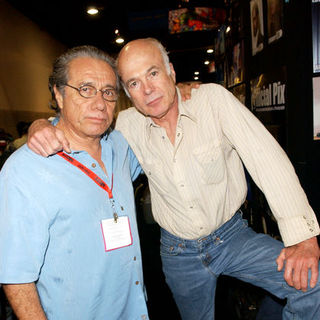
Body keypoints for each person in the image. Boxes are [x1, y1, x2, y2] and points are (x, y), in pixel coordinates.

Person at [28, 38, 320, 320]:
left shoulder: (213, 101)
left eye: (153, 73)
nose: (148, 90)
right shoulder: (127, 125)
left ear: (171, 71)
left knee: (311, 283)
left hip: (232, 237)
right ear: (127, 95)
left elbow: (266, 159)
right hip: (178, 253)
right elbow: (81, 121)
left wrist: (303, 237)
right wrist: (42, 124)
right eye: (133, 83)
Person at [0, 45, 149, 320]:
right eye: (85, 89)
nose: (99, 103)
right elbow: (15, 275)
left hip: (134, 311)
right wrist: (40, 124)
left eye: (108, 92)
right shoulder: (25, 170)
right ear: (58, 93)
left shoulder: (120, 146)